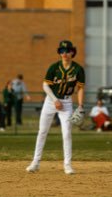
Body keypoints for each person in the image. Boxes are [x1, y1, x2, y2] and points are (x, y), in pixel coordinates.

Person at [26, 40, 85, 175]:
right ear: (59, 53)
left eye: (67, 51)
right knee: (42, 131)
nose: (64, 53)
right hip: (50, 101)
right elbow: (45, 85)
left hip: (67, 103)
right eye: (62, 51)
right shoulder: (54, 67)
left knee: (66, 133)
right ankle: (35, 162)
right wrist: (54, 100)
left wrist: (81, 105)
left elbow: (80, 88)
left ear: (72, 52)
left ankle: (67, 165)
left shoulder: (78, 69)